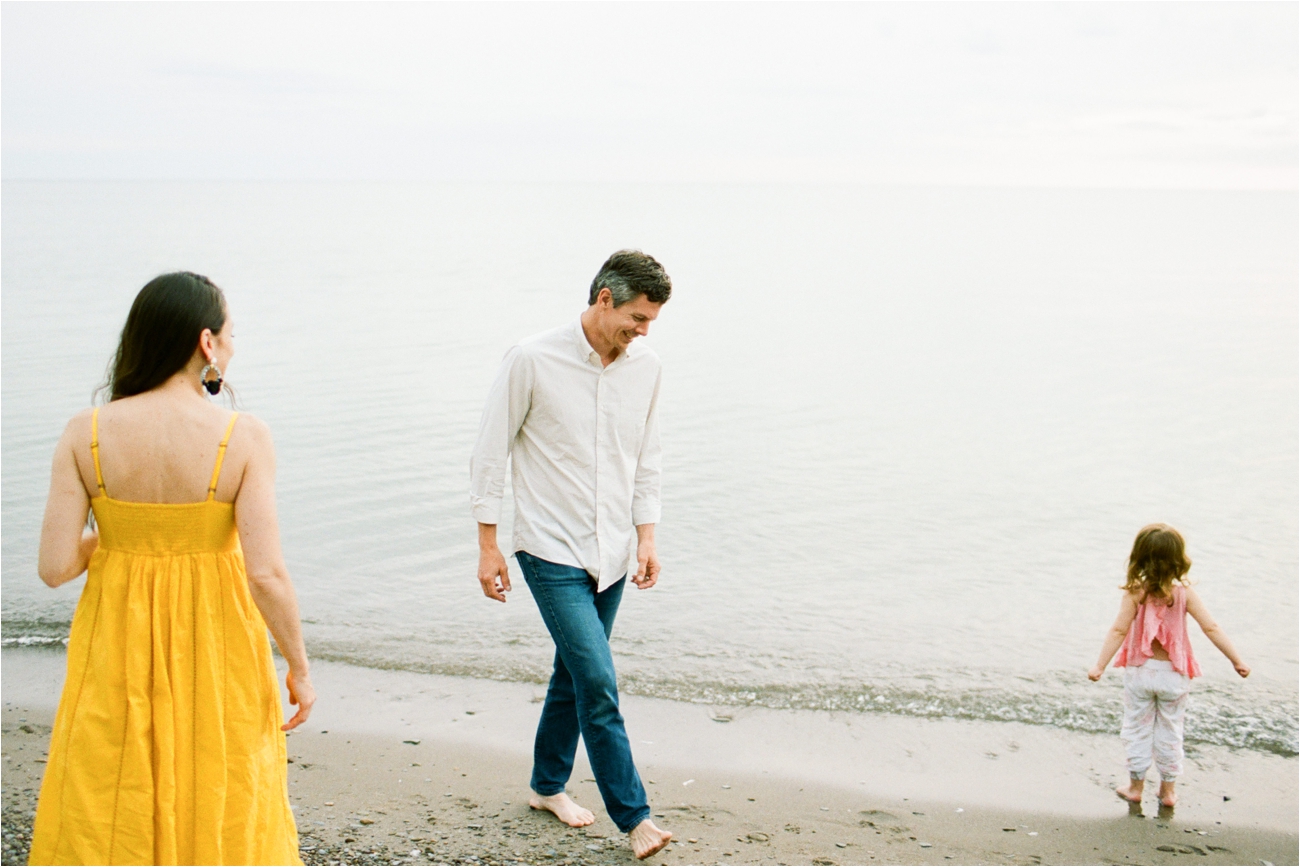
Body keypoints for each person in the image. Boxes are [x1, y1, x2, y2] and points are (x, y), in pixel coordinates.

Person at [29, 272, 314, 865]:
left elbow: (55, 566)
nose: (234, 347)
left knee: (111, 783)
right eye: (232, 334)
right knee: (222, 778)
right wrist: (299, 666)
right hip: (216, 644)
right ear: (207, 343)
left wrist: (120, 535)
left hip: (116, 642)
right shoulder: (243, 436)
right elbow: (266, 574)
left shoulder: (85, 434)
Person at [470, 250, 675, 860]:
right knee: (597, 679)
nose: (643, 331)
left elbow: (648, 458)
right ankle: (635, 818)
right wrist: (487, 546)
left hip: (613, 552)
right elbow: (489, 452)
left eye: (652, 322)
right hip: (549, 549)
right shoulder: (532, 358)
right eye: (637, 317)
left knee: (572, 675)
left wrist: (647, 536)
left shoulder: (647, 367)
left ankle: (546, 786)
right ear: (605, 297)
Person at [1088, 523, 1249, 808]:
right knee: (1171, 730)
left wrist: (1099, 666)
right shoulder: (1184, 594)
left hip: (1141, 673)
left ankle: (1135, 787)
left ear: (1139, 558)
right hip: (1174, 675)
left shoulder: (1136, 592)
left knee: (1138, 728)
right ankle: (1168, 792)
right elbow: (1210, 627)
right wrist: (1236, 659)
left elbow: (1118, 631)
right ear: (1179, 560)